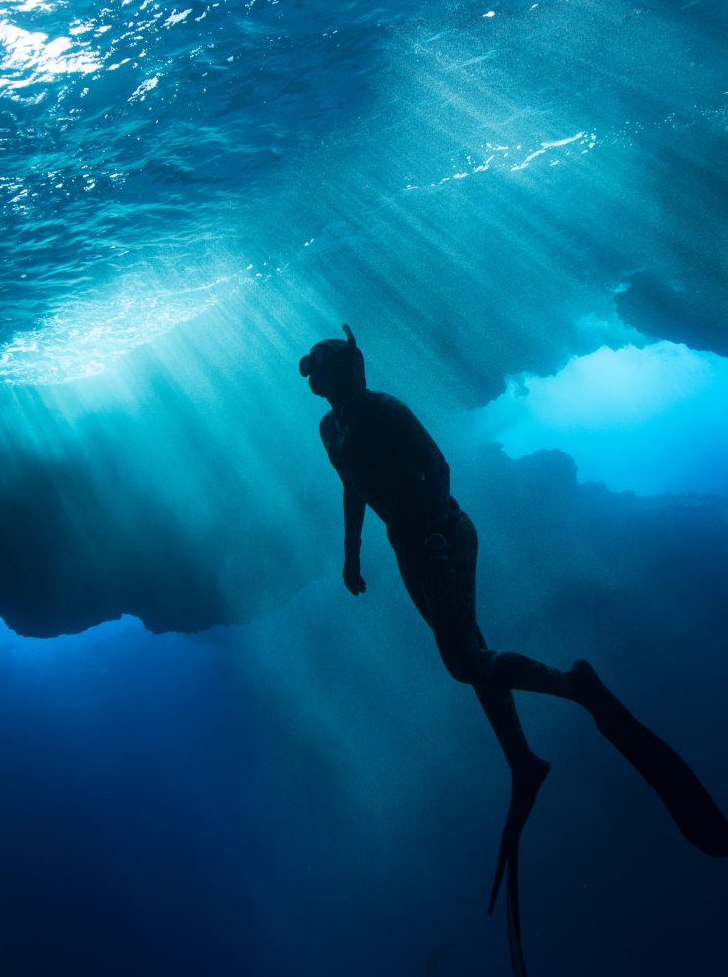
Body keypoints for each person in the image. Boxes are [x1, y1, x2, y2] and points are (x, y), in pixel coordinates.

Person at [300, 325, 728, 977]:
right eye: (315, 372)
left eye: (324, 369)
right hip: (408, 548)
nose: (317, 380)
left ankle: (573, 686)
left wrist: (437, 532)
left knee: (462, 661)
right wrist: (353, 553)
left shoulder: (386, 411)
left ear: (352, 372)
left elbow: (437, 468)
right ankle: (523, 762)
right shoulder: (331, 433)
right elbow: (353, 488)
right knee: (469, 656)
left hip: (442, 538)